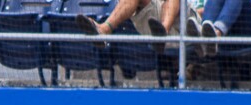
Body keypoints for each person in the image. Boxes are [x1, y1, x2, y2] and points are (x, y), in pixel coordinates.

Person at [75, 0, 203, 54]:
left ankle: (162, 32)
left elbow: (209, 14)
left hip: (191, 27)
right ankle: (103, 30)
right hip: (159, 19)